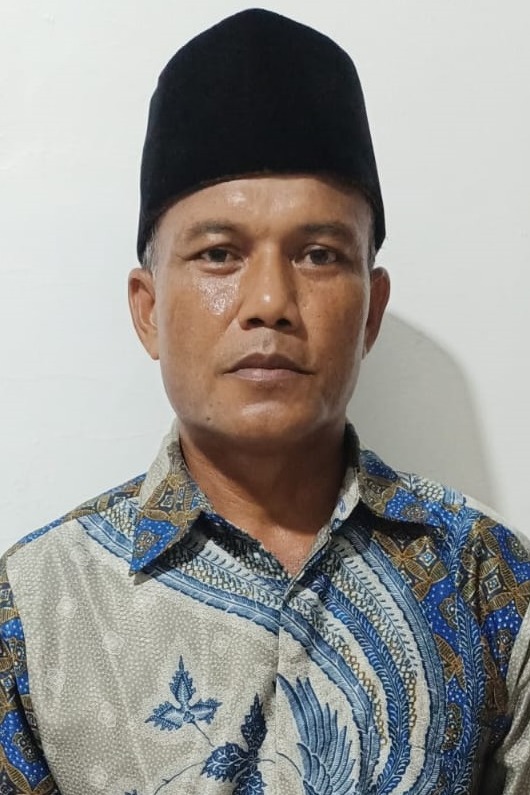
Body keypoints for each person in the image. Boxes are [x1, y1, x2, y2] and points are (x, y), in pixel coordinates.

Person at [0, 8, 529, 795]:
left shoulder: (491, 584)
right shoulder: (36, 606)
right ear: (148, 309)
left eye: (318, 254)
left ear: (372, 311)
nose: (271, 301)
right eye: (220, 253)